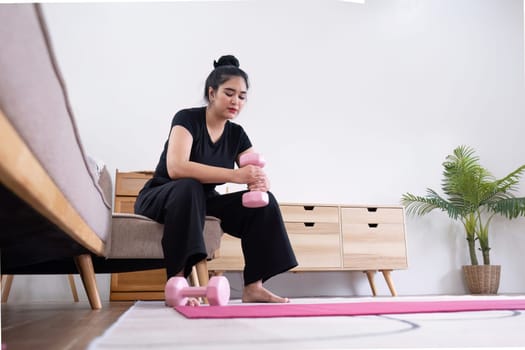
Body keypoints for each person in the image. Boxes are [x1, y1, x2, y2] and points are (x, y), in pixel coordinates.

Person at [134, 55, 298, 306]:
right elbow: (176, 167)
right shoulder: (186, 119)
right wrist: (235, 175)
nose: (236, 101)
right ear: (212, 93)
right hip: (165, 194)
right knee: (189, 186)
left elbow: (251, 167)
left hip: (202, 200)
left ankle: (254, 286)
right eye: (229, 93)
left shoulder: (237, 134)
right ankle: (178, 283)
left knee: (264, 203)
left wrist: (260, 181)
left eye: (242, 96)